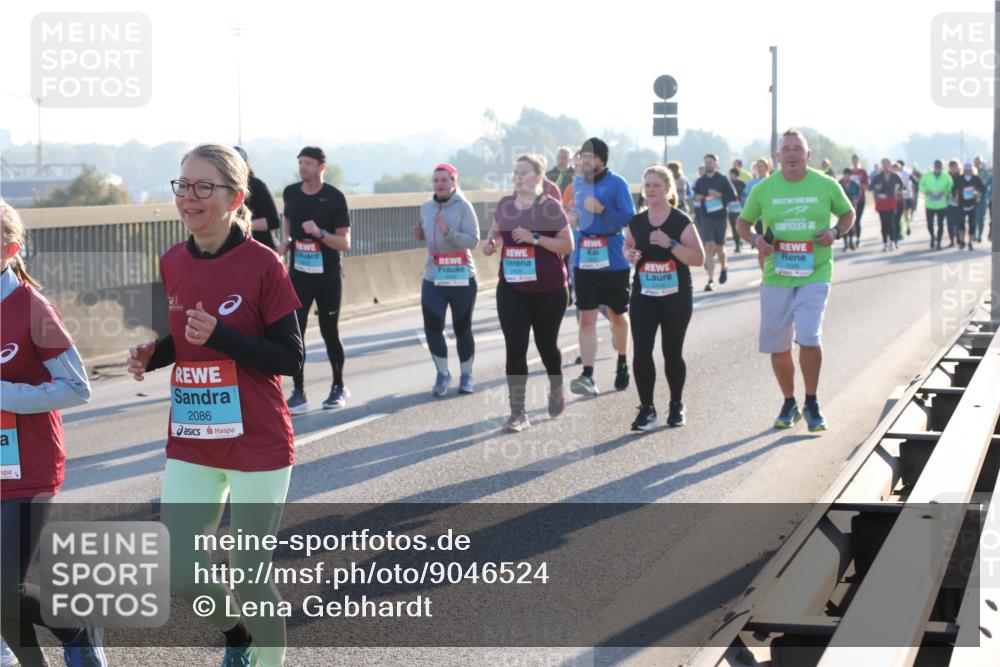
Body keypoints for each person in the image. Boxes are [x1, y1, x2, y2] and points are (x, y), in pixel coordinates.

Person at [128, 144, 304, 667]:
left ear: (235, 198)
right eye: (182, 185)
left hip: (257, 440)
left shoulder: (263, 264)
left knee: (250, 575)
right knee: (181, 570)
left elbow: (290, 358)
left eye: (204, 186)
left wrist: (225, 337)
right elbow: (188, 335)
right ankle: (238, 636)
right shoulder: (173, 260)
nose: (189, 197)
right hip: (194, 434)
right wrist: (155, 353)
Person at [1, 202, 102, 667]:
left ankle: (77, 630)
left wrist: (5, 393)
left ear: (10, 249)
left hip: (28, 468)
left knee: (4, 588)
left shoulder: (33, 308)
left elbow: (77, 387)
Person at [736, 129, 855, 432]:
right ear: (778, 156)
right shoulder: (764, 189)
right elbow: (742, 222)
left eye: (797, 149)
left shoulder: (826, 185)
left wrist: (835, 233)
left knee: (808, 335)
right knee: (778, 346)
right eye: (786, 149)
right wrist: (754, 240)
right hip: (777, 273)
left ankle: (812, 402)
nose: (791, 154)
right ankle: (789, 402)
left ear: (807, 155)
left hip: (815, 272)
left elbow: (847, 213)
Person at [483, 155, 574, 432]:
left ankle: (556, 385)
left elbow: (567, 245)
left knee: (546, 346)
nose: (518, 176)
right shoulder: (505, 205)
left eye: (524, 172)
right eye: (515, 172)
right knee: (515, 347)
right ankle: (517, 412)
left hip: (549, 290)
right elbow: (497, 231)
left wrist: (535, 239)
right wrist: (492, 242)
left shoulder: (550, 207)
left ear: (538, 177)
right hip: (511, 287)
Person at [624, 166, 705, 431]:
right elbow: (628, 245)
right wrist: (630, 254)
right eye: (646, 185)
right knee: (642, 350)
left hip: (676, 296)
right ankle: (646, 408)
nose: (650, 190)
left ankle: (676, 404)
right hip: (644, 295)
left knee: (672, 352)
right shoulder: (637, 221)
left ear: (669, 189)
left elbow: (698, 258)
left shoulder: (680, 221)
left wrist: (670, 243)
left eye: (656, 185)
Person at [278, 146, 351, 413]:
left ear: (322, 166)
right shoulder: (291, 193)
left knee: (329, 332)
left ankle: (339, 386)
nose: (302, 168)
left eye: (307, 163)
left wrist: (319, 233)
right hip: (299, 275)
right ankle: (299, 392)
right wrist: (285, 241)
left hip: (328, 277)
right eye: (300, 163)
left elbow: (344, 242)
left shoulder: (334, 197)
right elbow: (287, 218)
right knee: (295, 333)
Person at [569, 137, 636, 396]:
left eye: (589, 157)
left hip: (613, 258)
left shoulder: (617, 183)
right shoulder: (578, 184)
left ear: (601, 160)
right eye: (582, 156)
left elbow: (628, 217)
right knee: (586, 317)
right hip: (584, 257)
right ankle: (588, 374)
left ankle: (622, 360)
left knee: (617, 314)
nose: (584, 161)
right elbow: (580, 215)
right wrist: (574, 217)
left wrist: (602, 209)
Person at [412, 164, 480, 396]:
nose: (439, 184)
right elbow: (428, 232)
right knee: (432, 328)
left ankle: (467, 374)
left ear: (454, 182)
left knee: (462, 328)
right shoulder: (426, 206)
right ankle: (442, 374)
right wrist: (421, 234)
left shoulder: (464, 207)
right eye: (435, 180)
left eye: (444, 180)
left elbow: (473, 241)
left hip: (461, 274)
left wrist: (448, 232)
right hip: (434, 275)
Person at [692, 153, 738, 290]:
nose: (708, 164)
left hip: (720, 217)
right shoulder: (701, 181)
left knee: (719, 248)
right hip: (706, 217)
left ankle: (724, 266)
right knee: (709, 246)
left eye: (711, 162)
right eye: (706, 162)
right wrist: (697, 197)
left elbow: (733, 196)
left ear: (716, 164)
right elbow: (694, 195)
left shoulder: (723, 179)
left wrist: (720, 195)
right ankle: (710, 280)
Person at [234, 146, 280, 250]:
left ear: (246, 164)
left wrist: (240, 224)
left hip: (260, 249)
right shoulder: (222, 185)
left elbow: (273, 221)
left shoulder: (256, 185)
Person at [871, 158, 905, 251]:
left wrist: (898, 191)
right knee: (883, 223)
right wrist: (877, 188)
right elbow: (871, 187)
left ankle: (893, 241)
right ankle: (885, 242)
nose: (885, 166)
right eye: (883, 164)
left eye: (887, 164)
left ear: (890, 164)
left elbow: (902, 186)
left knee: (891, 221)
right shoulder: (878, 177)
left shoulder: (895, 176)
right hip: (881, 202)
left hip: (891, 201)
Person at [919, 159, 953, 250]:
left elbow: (950, 188)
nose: (938, 169)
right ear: (934, 168)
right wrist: (927, 192)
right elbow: (921, 186)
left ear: (942, 168)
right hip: (930, 204)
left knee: (940, 224)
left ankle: (938, 242)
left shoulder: (947, 177)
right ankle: (932, 237)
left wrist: (944, 192)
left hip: (942, 205)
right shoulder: (927, 176)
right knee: (929, 225)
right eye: (936, 167)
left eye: (940, 168)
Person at [953, 161, 986, 251]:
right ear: (964, 170)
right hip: (961, 205)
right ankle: (962, 241)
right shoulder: (959, 179)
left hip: (973, 204)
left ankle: (970, 242)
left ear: (972, 170)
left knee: (972, 225)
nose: (967, 172)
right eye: (966, 170)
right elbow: (954, 189)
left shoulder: (976, 179)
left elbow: (983, 188)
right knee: (961, 224)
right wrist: (956, 195)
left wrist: (978, 194)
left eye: (969, 170)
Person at [838, 168, 862, 250]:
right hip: (841, 207)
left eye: (848, 175)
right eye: (845, 175)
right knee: (843, 225)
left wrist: (856, 200)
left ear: (851, 176)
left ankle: (851, 241)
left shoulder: (854, 184)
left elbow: (858, 194)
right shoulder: (839, 183)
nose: (846, 177)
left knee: (851, 225)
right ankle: (845, 243)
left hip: (852, 207)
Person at [849, 155, 869, 248]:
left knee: (857, 220)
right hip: (850, 200)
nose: (855, 162)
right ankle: (851, 238)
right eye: (853, 161)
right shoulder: (849, 172)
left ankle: (858, 239)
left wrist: (859, 185)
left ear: (858, 161)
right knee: (851, 219)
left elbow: (867, 186)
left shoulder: (863, 172)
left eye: (856, 160)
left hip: (861, 199)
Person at [727, 167, 747, 252]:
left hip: (740, 207)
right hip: (730, 208)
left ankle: (740, 241)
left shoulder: (741, 184)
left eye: (731, 174)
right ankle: (737, 243)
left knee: (739, 225)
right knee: (733, 226)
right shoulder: (727, 183)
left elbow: (745, 194)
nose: (730, 175)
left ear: (735, 174)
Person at [973, 155, 992, 243]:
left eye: (979, 161)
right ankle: (973, 234)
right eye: (976, 161)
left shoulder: (985, 172)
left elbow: (986, 184)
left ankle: (979, 235)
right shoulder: (971, 171)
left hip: (983, 197)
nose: (977, 163)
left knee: (980, 218)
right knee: (973, 217)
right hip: (971, 197)